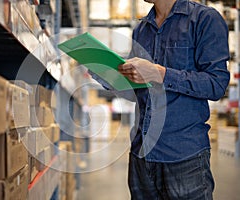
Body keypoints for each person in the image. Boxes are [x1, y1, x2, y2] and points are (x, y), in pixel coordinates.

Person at [91, 0, 230, 199]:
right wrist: (108, 76)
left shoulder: (204, 19)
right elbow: (138, 91)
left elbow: (216, 84)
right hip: (142, 155)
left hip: (184, 156)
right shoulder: (141, 30)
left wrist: (161, 74)